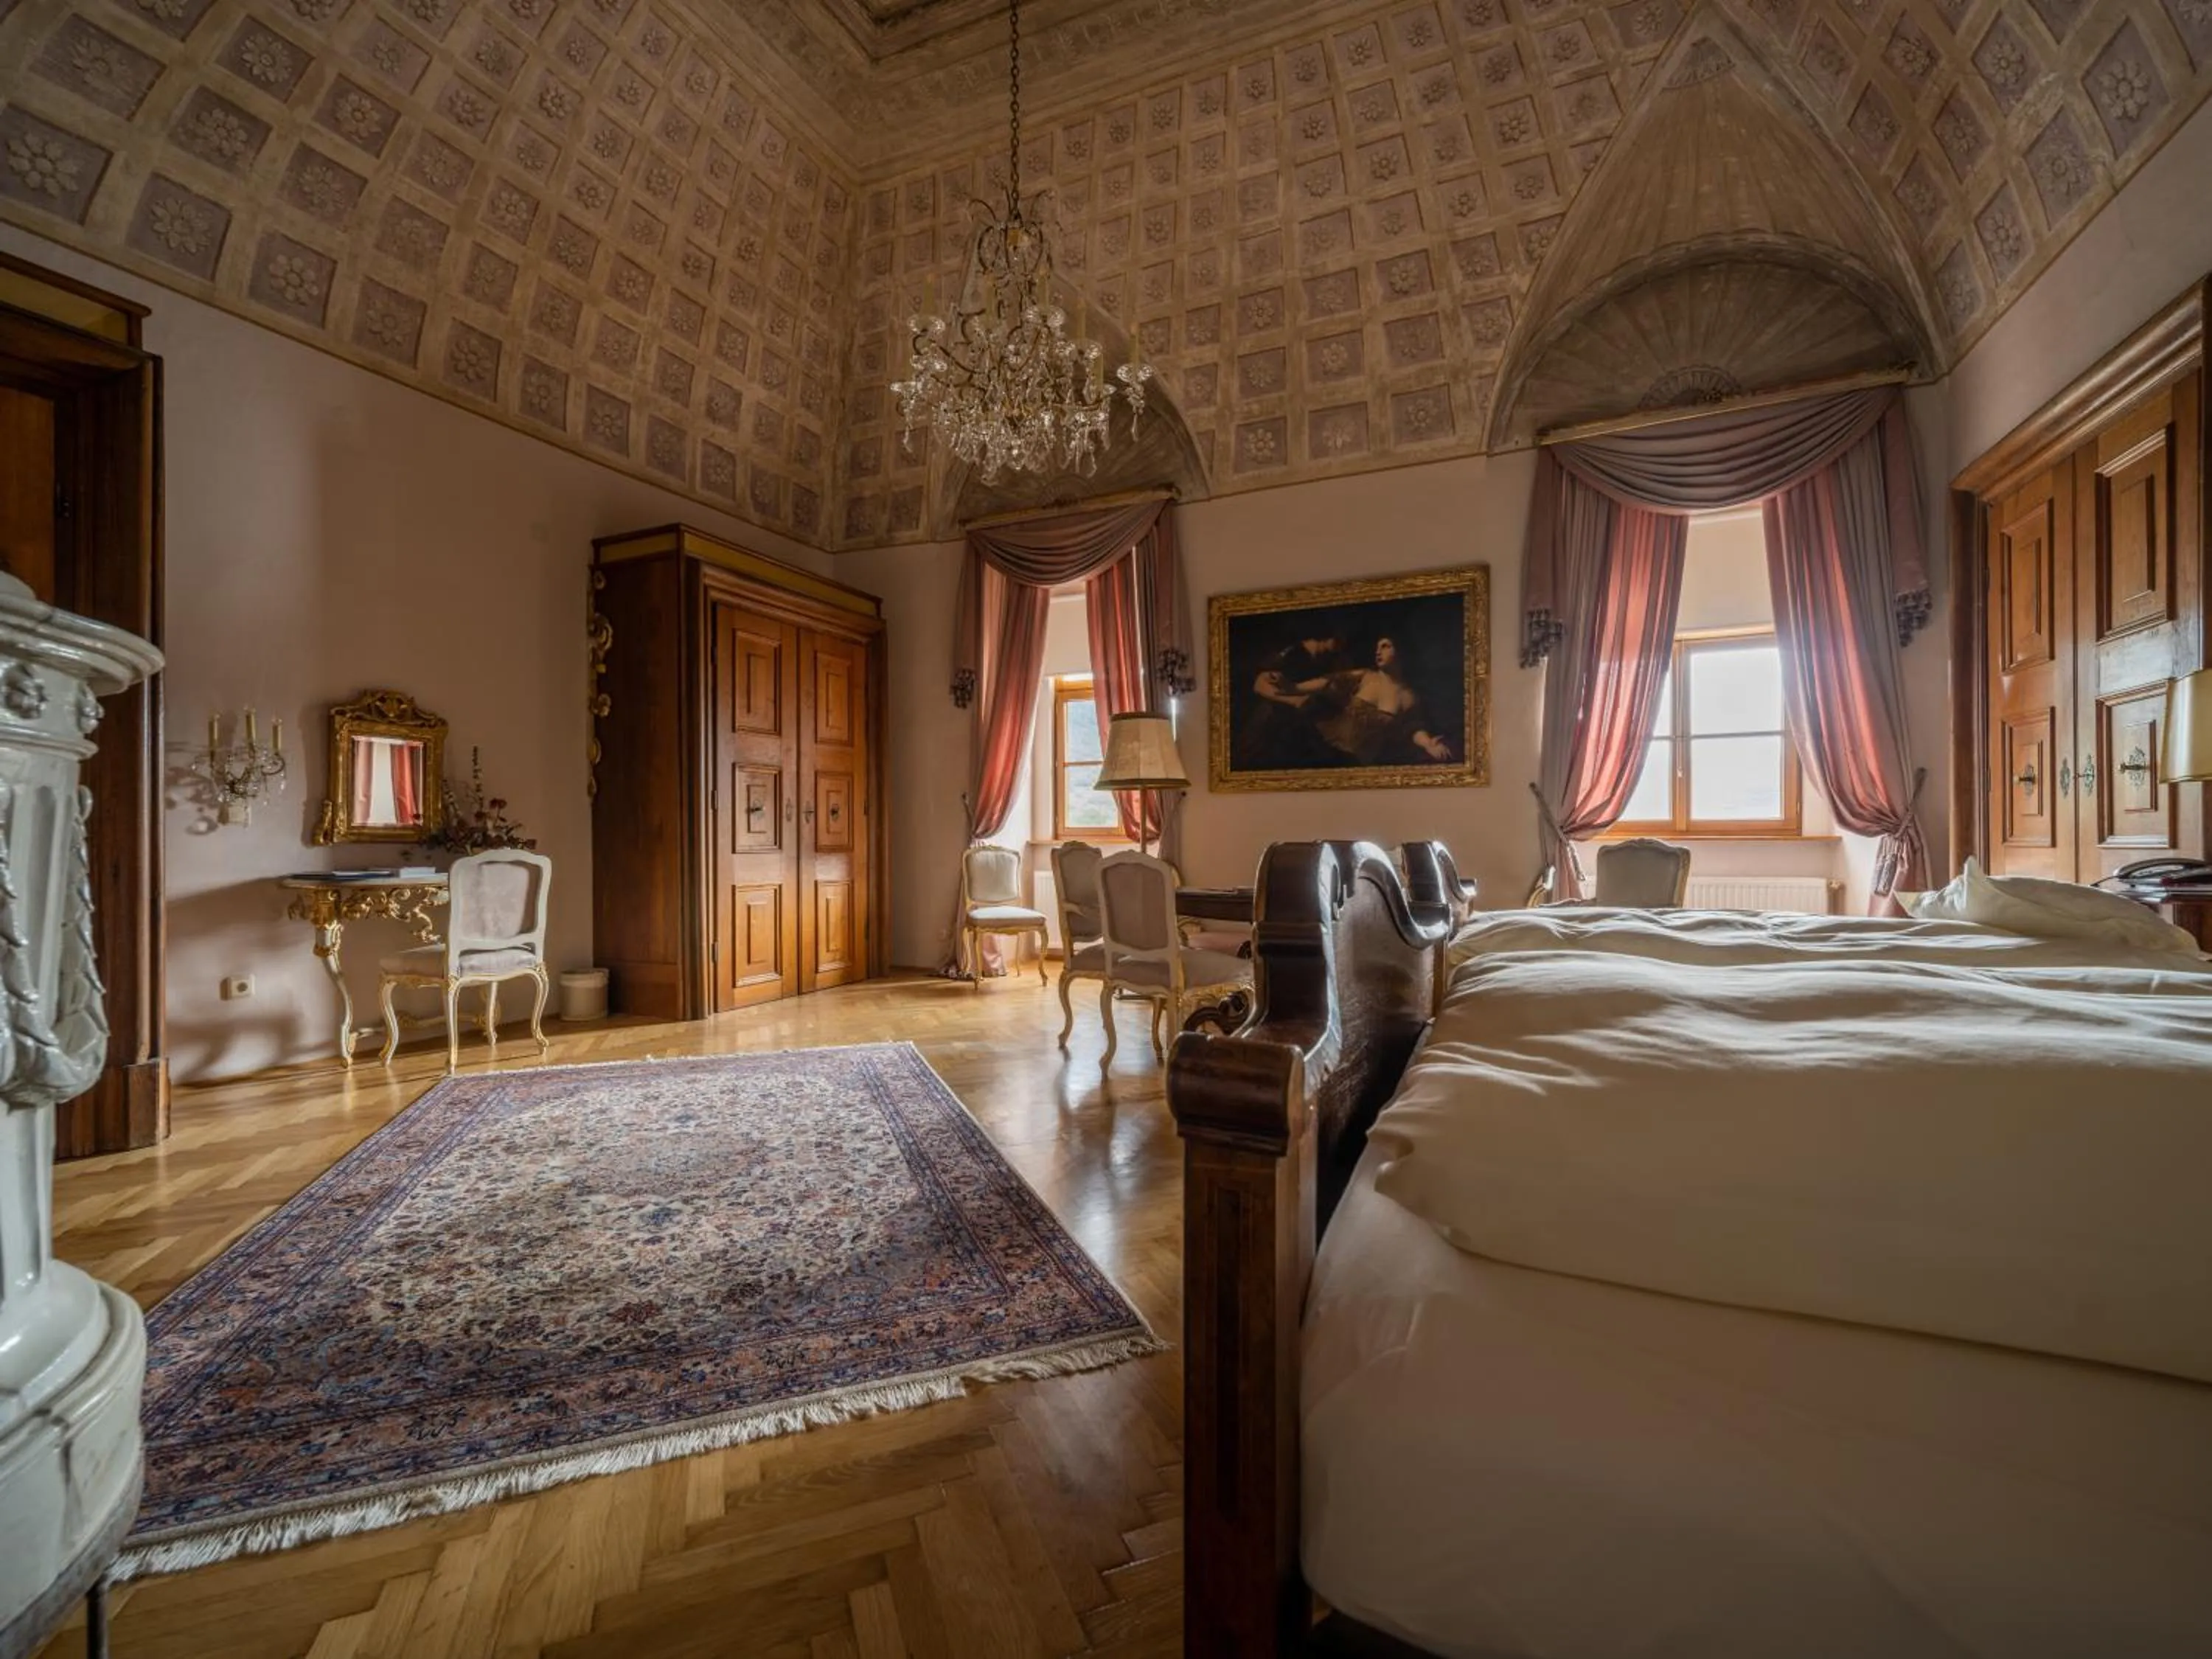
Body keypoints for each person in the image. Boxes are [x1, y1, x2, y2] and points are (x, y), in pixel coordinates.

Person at [1309, 636, 1458, 767]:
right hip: (1327, 747)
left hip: (1357, 762)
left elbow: (1412, 728)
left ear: (1401, 652)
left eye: (1385, 646)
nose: (1378, 651)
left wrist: (1428, 744)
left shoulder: (1410, 696)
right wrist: (1293, 687)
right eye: (1377, 647)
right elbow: (1327, 683)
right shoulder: (1366, 677)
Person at [1235, 630, 1350, 769]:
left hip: (1305, 715)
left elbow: (1330, 686)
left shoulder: (1334, 660)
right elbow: (1261, 681)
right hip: (1278, 707)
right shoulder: (1293, 652)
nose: (1339, 646)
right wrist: (1294, 698)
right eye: (1337, 640)